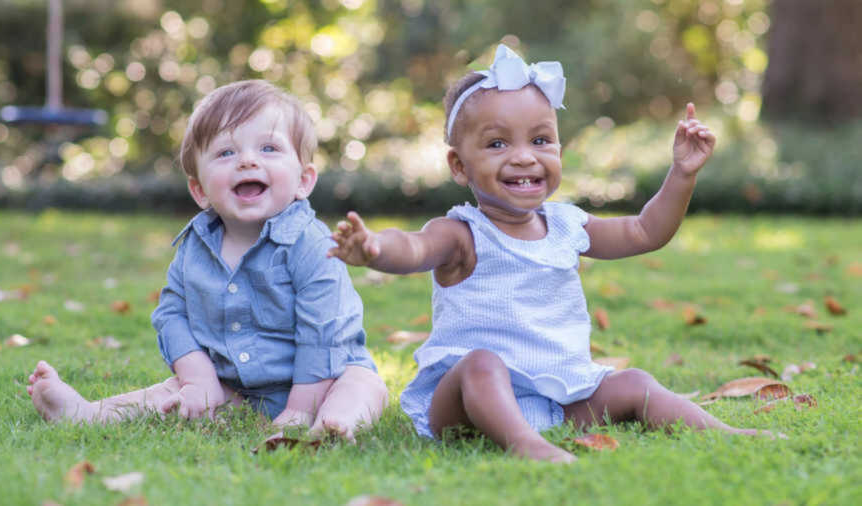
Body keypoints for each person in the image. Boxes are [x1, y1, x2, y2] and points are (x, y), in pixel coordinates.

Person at [328, 45, 778, 462]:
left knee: (634, 383)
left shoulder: (566, 225)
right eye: (498, 144)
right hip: (465, 406)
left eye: (540, 140)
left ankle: (722, 432)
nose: (525, 157)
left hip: (557, 399)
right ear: (459, 166)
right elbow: (413, 247)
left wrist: (682, 174)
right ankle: (527, 445)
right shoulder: (462, 233)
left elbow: (644, 231)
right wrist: (373, 248)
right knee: (482, 363)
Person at [28, 79, 388, 442]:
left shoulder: (313, 245)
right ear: (200, 190)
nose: (248, 160)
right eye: (226, 153)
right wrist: (199, 379)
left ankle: (332, 426)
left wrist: (299, 408)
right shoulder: (194, 249)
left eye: (268, 148)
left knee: (363, 385)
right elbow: (172, 313)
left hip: (324, 381)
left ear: (303, 180)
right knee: (172, 392)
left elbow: (324, 332)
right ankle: (87, 413)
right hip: (234, 388)